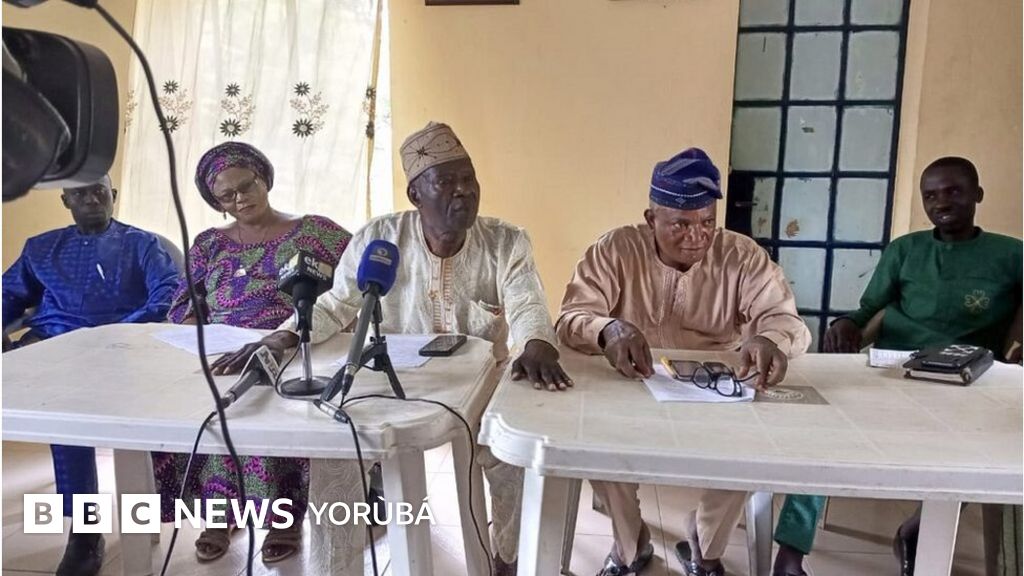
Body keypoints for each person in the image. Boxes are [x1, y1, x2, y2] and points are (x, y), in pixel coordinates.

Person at [213, 121, 572, 575]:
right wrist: (282, 336)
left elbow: (526, 302)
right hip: (391, 380)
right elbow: (337, 305)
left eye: (469, 179)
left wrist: (537, 342)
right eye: (447, 182)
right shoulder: (379, 239)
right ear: (415, 194)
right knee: (337, 454)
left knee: (513, 454)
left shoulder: (506, 241)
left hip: (480, 385)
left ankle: (508, 560)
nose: (463, 191)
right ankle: (334, 570)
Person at [556, 148, 811, 576]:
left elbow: (787, 321)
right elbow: (570, 318)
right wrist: (607, 329)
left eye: (707, 222)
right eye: (681, 224)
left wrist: (769, 339)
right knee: (591, 439)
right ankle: (629, 544)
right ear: (650, 218)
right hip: (631, 385)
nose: (697, 236)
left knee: (752, 447)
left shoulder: (742, 256)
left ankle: (705, 545)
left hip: (714, 390)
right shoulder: (615, 249)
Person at [150, 142, 352, 564]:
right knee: (211, 410)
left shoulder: (315, 231)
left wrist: (293, 335)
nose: (240, 198)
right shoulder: (208, 244)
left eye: (247, 185)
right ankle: (219, 515)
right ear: (217, 202)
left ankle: (284, 519)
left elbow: (355, 286)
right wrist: (201, 339)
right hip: (224, 349)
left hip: (295, 344)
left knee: (272, 409)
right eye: (227, 195)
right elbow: (185, 305)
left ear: (264, 180)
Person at [821, 156, 1022, 576]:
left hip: (969, 379)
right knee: (824, 435)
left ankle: (919, 530)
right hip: (897, 368)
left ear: (977, 195)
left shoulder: (1010, 254)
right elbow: (868, 309)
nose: (940, 203)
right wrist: (845, 323)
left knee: (994, 450)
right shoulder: (906, 249)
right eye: (930, 196)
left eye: (953, 191)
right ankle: (791, 548)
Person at [2, 175, 179, 576]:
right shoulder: (41, 248)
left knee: (74, 411)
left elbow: (167, 295)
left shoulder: (142, 245)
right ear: (66, 201)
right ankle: (85, 529)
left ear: (113, 195)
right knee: (62, 414)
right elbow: (7, 295)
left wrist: (109, 336)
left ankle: (93, 531)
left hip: (121, 351)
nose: (91, 199)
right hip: (52, 349)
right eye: (79, 193)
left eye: (99, 190)